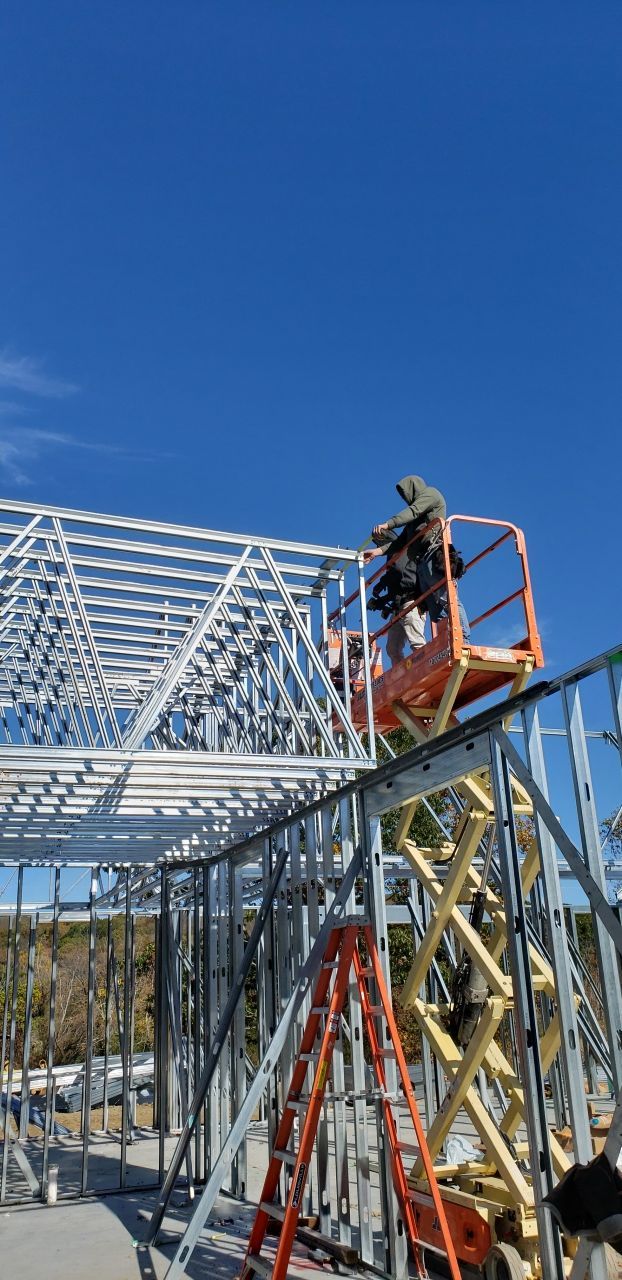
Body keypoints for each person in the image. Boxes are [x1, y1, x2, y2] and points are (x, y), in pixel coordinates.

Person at [365, 475, 470, 662]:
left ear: (412, 488)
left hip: (435, 554)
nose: (405, 497)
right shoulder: (414, 524)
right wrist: (377, 552)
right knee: (438, 609)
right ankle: (446, 646)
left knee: (447, 599)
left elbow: (413, 511)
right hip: (423, 561)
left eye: (405, 493)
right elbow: (399, 543)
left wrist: (388, 524)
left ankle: (464, 642)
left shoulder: (431, 494)